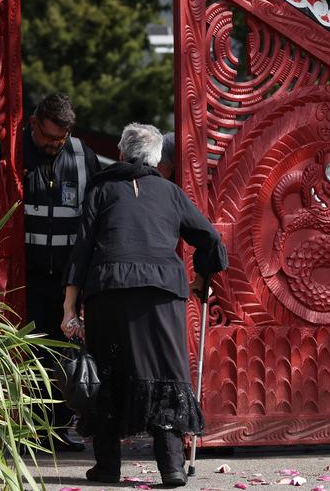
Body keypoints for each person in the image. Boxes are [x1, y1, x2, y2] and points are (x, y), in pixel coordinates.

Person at [61, 123, 227, 487]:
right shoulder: (170, 192)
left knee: (107, 372)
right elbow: (210, 238)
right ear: (156, 159)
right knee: (165, 372)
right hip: (162, 291)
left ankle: (107, 467)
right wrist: (201, 279)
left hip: (109, 288)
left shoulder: (101, 190)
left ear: (121, 153)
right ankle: (171, 468)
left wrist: (69, 308)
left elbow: (82, 249)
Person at [22, 92, 100, 452]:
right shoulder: (15, 150)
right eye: (49, 138)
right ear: (34, 123)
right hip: (24, 276)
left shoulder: (83, 156)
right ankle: (27, 430)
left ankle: (57, 429)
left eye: (61, 140)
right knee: (28, 354)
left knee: (65, 354)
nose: (55, 145)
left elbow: (96, 214)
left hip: (69, 279)